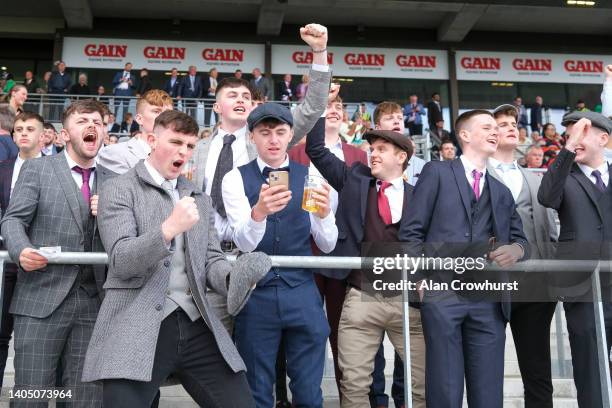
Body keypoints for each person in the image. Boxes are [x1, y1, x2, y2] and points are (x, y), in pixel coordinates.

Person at [82, 110, 270, 407]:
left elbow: (210, 261)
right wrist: (169, 229)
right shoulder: (117, 189)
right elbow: (121, 260)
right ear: (152, 140)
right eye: (176, 142)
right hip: (136, 324)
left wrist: (234, 278)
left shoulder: (198, 197)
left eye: (190, 146)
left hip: (197, 324)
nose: (183, 151)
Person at [191, 23, 333, 336]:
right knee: (204, 351)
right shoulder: (195, 148)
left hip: (253, 259)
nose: (241, 98)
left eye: (247, 95)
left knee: (257, 354)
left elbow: (313, 107)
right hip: (204, 257)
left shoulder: (268, 139)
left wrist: (320, 53)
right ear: (216, 105)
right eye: (232, 94)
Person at [400, 109, 528, 408]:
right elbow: (411, 231)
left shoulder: (501, 190)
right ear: (465, 135)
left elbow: (522, 239)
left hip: (489, 302)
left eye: (497, 127)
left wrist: (516, 250)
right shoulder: (437, 172)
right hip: (442, 294)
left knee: (489, 395)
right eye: (487, 127)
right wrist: (419, 280)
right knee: (445, 390)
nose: (495, 131)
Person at [222, 102, 337, 408]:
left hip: (302, 292)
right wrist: (259, 213)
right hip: (256, 294)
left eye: (280, 132)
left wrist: (325, 215)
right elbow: (244, 244)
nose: (272, 139)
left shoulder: (310, 175)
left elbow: (327, 244)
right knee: (257, 390)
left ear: (291, 137)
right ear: (252, 137)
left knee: (309, 392)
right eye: (265, 132)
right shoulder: (234, 178)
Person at [1, 99, 108, 407]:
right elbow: (13, 220)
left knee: (85, 399)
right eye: (82, 121)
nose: (91, 127)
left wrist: (110, 214)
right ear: (64, 134)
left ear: (105, 133)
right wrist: (21, 250)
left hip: (93, 304)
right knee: (32, 395)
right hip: (40, 298)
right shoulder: (37, 169)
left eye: (98, 123)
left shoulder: (115, 181)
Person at [288, 92, 367, 399]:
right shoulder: (295, 153)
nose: (333, 111)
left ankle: (350, 395)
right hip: (302, 248)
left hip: (343, 252)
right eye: (327, 106)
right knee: (301, 330)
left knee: (343, 331)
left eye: (338, 107)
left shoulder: (359, 155)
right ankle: (293, 397)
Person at [538, 110, 612, 408]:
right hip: (583, 287)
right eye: (569, 135)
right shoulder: (563, 175)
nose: (573, 140)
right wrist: (566, 151)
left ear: (603, 139)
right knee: (589, 365)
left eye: (581, 133)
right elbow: (546, 197)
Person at [490, 104, 558, 408]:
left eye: (513, 122)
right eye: (501, 123)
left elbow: (549, 232)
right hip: (488, 287)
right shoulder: (472, 175)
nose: (510, 127)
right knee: (485, 373)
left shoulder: (535, 178)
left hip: (534, 289)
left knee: (538, 372)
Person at [368, 100, 426, 408]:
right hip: (373, 269)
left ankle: (404, 399)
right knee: (372, 350)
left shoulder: (423, 168)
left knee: (410, 354)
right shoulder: (369, 167)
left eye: (400, 118)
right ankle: (377, 399)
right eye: (390, 119)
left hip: (409, 273)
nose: (397, 122)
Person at [0, 112, 44, 388]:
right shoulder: (2, 168)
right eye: (19, 129)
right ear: (13, 136)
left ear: (43, 135)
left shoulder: (57, 169)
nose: (23, 133)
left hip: (41, 264)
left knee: (36, 343)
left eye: (30, 129)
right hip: (5, 262)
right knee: (0, 335)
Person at [98, 89, 173, 177]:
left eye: (168, 113)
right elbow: (117, 189)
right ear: (139, 119)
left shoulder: (176, 156)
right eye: (156, 111)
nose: (164, 117)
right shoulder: (114, 153)